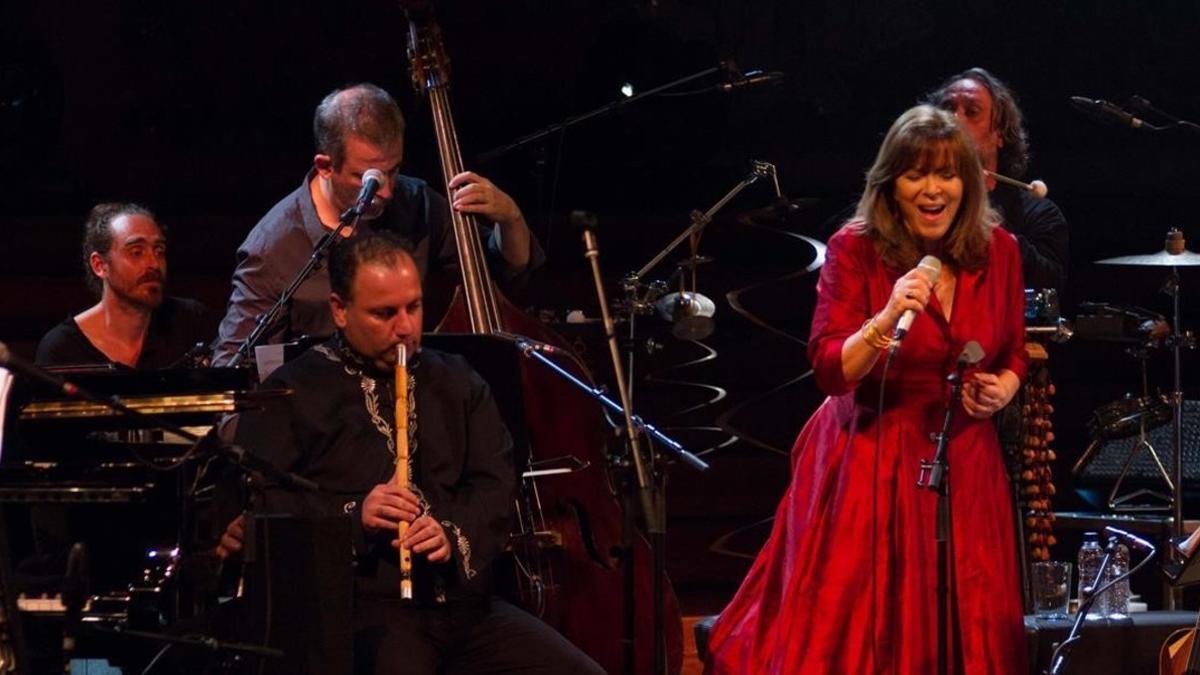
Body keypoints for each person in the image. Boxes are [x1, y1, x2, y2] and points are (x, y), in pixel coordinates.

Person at [705, 106, 1029, 674]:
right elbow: (832, 372)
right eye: (915, 175)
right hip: (873, 456)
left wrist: (1004, 385)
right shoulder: (854, 249)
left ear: (968, 185)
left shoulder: (1000, 250)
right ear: (890, 185)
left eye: (948, 175)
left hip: (966, 462)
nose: (933, 190)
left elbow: (1014, 350)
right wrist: (882, 320)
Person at [218, 231, 602, 674]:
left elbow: (495, 484)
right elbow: (263, 506)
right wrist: (355, 513)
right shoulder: (291, 390)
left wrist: (447, 531)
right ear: (340, 310)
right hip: (364, 608)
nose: (405, 328)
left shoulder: (459, 380)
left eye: (413, 307)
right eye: (384, 313)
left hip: (462, 604)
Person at [212, 83, 543, 365]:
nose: (384, 191)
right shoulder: (273, 247)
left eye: (393, 171)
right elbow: (233, 363)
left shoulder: (418, 203)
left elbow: (498, 276)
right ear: (325, 166)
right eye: (366, 177)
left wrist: (511, 219)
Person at [928, 67, 1069, 294]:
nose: (954, 119)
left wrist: (980, 212)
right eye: (947, 109)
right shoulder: (921, 203)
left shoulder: (1037, 213)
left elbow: (1049, 285)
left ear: (1000, 133)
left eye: (972, 112)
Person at [35, 202, 210, 368]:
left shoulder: (189, 321)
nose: (154, 264)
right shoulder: (63, 350)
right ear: (99, 265)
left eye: (159, 251)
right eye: (136, 252)